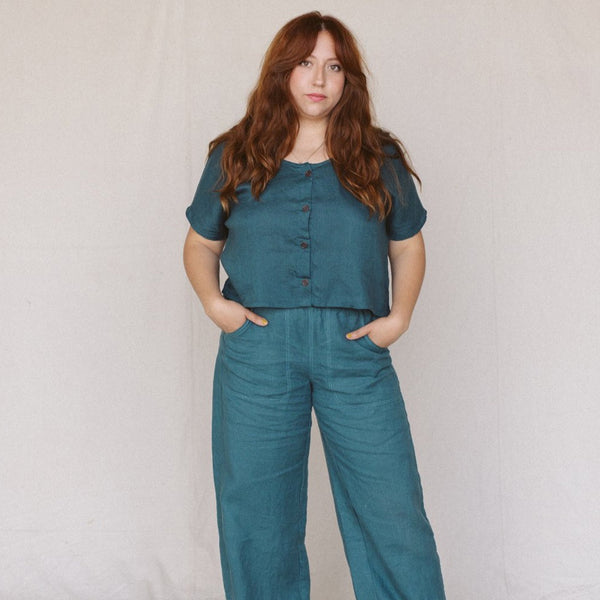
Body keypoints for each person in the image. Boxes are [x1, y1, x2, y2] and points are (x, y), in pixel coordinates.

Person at [183, 11, 446, 600]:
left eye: (333, 66)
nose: (318, 79)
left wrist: (397, 319)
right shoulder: (236, 154)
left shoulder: (378, 158)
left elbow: (407, 245)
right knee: (256, 514)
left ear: (349, 78)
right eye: (305, 63)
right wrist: (213, 304)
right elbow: (202, 244)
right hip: (257, 351)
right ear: (283, 71)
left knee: (391, 508)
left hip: (355, 352)